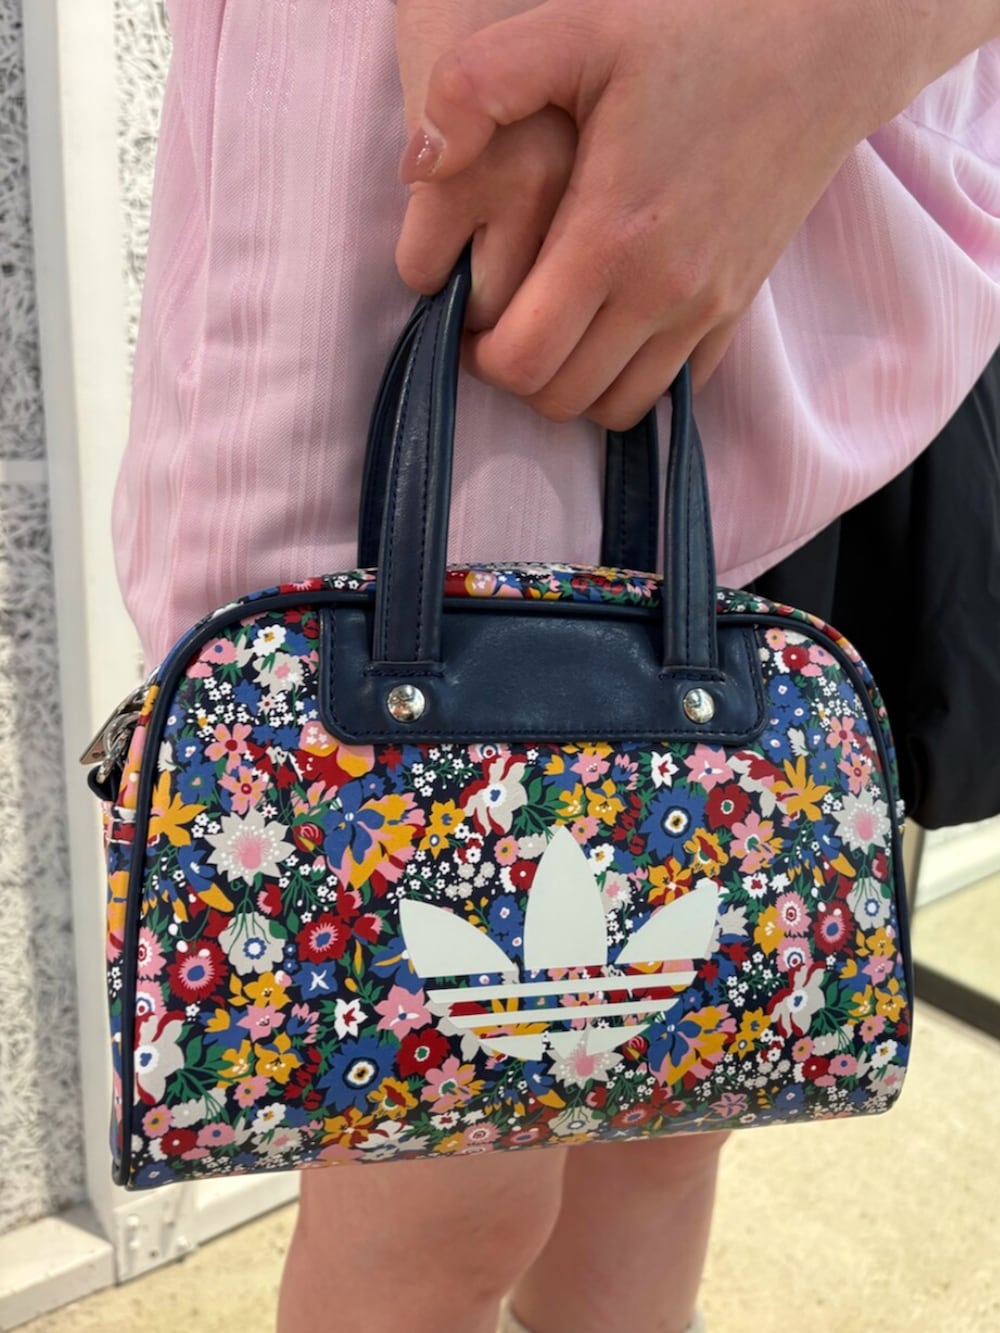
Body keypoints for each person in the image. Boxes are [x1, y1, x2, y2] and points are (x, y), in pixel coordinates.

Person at [112, 3, 1000, 1330]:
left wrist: (822, 57)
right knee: (430, 1210)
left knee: (682, 1108)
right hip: (427, 246)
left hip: (837, 269)